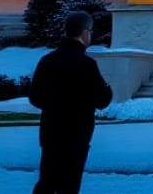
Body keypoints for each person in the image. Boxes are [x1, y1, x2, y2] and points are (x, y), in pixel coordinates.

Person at [28, 10, 113, 194]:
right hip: (77, 134)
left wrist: (54, 105)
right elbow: (103, 99)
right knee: (70, 184)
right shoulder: (86, 64)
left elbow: (35, 97)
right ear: (84, 33)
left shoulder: (47, 61)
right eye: (89, 32)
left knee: (47, 182)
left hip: (51, 132)